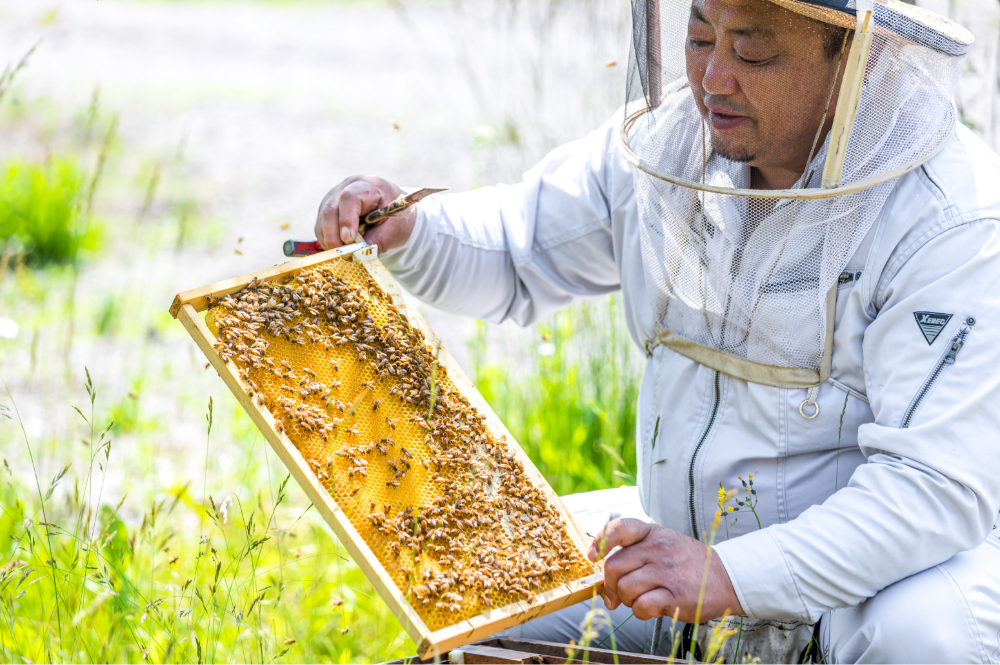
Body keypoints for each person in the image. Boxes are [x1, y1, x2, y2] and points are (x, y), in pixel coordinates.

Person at [313, 0, 1000, 660]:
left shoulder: (950, 216)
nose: (712, 79)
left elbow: (937, 485)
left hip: (880, 586)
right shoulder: (672, 144)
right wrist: (409, 229)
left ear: (856, 55)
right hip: (686, 550)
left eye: (753, 50)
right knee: (472, 571)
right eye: (700, 37)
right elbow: (517, 247)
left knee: (929, 639)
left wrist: (729, 573)